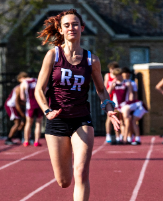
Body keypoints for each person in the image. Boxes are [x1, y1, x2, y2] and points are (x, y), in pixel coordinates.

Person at [34, 9, 120, 201]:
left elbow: (101, 89)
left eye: (75, 24)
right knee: (63, 181)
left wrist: (109, 108)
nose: (71, 28)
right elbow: (38, 89)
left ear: (82, 28)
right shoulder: (53, 56)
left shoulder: (92, 59)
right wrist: (47, 111)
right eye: (67, 25)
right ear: (61, 29)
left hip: (82, 120)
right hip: (56, 121)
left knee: (81, 171)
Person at [110, 68, 133, 144]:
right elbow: (108, 92)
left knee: (126, 121)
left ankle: (125, 138)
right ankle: (117, 137)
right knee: (116, 121)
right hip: (116, 105)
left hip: (124, 105)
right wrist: (111, 85)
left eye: (117, 76)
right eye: (115, 76)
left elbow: (130, 93)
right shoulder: (114, 83)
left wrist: (130, 101)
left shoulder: (127, 83)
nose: (115, 77)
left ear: (120, 75)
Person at [4, 72, 28, 145]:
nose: (26, 79)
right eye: (24, 78)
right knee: (17, 122)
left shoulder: (24, 87)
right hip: (11, 105)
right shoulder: (18, 88)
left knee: (25, 120)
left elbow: (20, 101)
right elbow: (17, 103)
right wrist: (21, 113)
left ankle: (18, 135)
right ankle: (9, 138)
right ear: (20, 79)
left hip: (16, 105)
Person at [20, 75, 43, 147]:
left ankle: (26, 141)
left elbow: (22, 97)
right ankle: (36, 141)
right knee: (38, 123)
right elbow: (44, 91)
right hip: (39, 104)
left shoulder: (24, 83)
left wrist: (26, 101)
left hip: (30, 105)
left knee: (28, 124)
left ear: (22, 77)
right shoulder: (37, 80)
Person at [104, 61, 119, 143]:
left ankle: (118, 136)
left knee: (118, 118)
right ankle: (108, 135)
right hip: (110, 99)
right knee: (109, 118)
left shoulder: (119, 76)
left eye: (113, 69)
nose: (111, 70)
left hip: (118, 99)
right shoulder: (107, 76)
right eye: (110, 69)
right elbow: (105, 88)